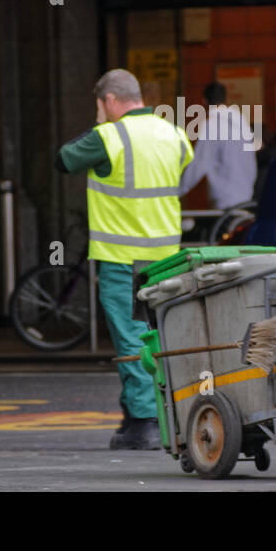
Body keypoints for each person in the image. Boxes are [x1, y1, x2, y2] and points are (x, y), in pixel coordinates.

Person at [56, 69, 192, 450]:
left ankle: (146, 421)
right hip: (165, 258)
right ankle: (143, 412)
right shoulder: (175, 134)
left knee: (132, 339)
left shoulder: (108, 136)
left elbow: (63, 159)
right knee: (160, 336)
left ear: (110, 101)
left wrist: (98, 125)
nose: (100, 112)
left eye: (100, 106)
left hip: (121, 258)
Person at [178, 82, 258, 212]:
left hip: (225, 203)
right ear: (226, 99)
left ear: (204, 101)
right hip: (246, 198)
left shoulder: (212, 125)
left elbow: (198, 165)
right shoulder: (242, 122)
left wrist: (176, 191)